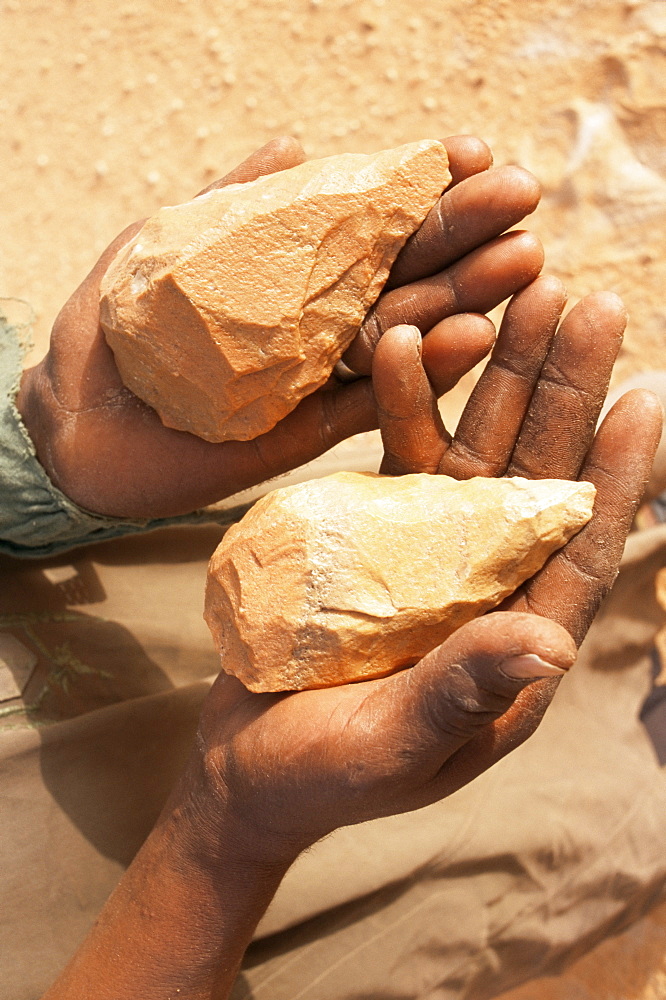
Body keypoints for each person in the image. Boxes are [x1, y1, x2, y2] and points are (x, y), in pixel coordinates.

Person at [1, 136, 662, 999]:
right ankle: (647, 745)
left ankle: (628, 525)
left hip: (178, 577)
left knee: (502, 549)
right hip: (132, 929)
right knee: (519, 799)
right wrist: (223, 837)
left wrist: (32, 458)